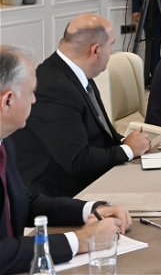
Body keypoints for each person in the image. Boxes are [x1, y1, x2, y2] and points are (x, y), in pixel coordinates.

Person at [0, 45, 133, 275]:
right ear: (7, 101)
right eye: (31, 92)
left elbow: (25, 202)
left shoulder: (5, 141)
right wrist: (81, 240)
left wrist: (93, 209)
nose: (34, 100)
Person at [11, 14, 151, 197]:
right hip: (62, 195)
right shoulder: (54, 88)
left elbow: (100, 133)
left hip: (91, 179)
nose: (112, 51)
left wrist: (127, 142)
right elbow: (77, 160)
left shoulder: (76, 73)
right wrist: (128, 150)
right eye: (111, 44)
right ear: (95, 50)